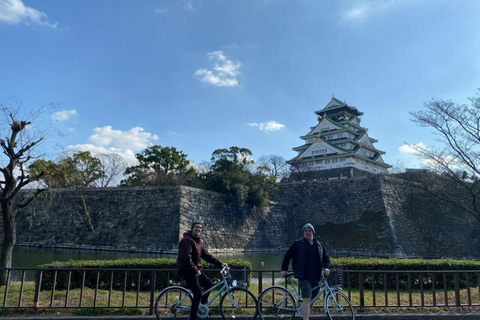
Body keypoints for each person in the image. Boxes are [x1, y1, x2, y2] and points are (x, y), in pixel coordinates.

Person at [177, 221, 227, 320]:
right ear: (192, 228)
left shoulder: (198, 241)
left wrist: (220, 263)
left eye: (200, 227)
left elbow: (206, 255)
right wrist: (196, 271)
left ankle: (202, 308)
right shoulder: (187, 240)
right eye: (196, 227)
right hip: (188, 271)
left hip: (195, 271)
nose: (198, 229)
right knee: (198, 293)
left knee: (209, 284)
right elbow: (186, 259)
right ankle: (192, 317)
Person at [281, 223, 331, 320]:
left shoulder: (319, 245)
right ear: (303, 232)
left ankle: (304, 315)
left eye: (309, 231)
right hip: (303, 276)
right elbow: (287, 256)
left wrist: (327, 267)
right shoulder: (297, 244)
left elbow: (326, 258)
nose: (308, 233)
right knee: (307, 298)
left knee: (312, 299)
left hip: (316, 276)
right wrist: (284, 269)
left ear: (313, 232)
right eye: (306, 231)